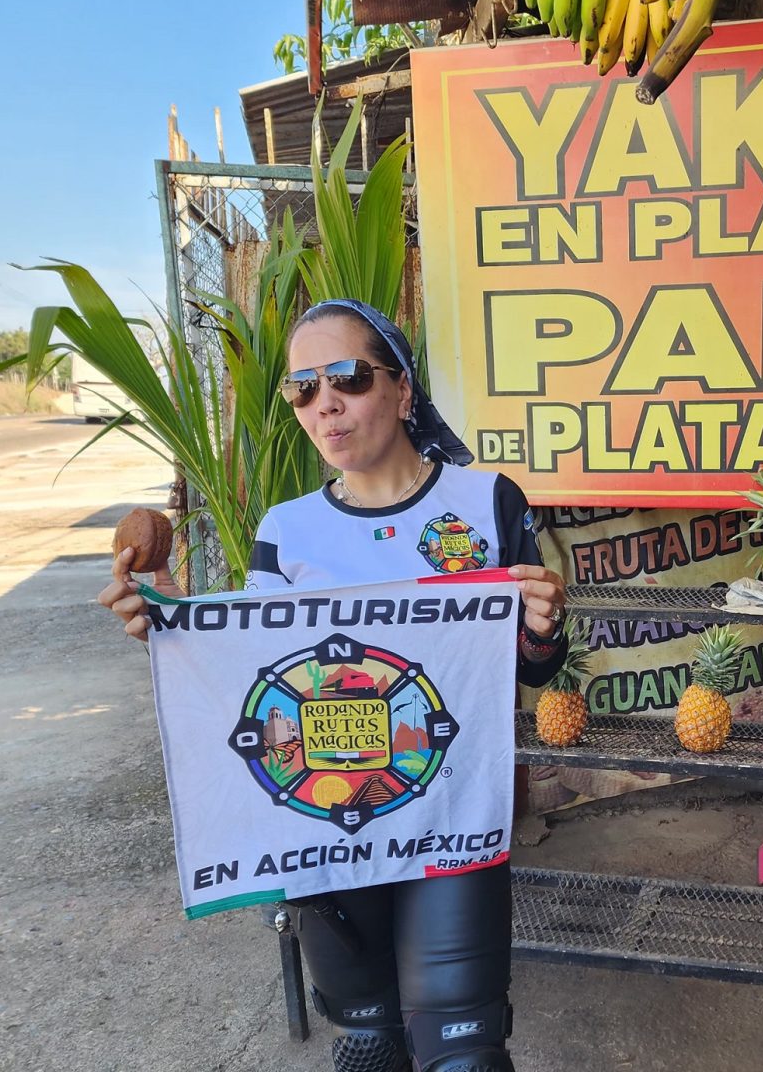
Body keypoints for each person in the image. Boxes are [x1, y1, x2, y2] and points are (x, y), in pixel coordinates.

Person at [102, 298, 568, 1072]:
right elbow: (252, 674)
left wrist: (544, 625)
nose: (325, 402)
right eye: (302, 388)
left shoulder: (486, 502)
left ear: (403, 390)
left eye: (347, 377)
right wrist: (163, 616)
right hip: (325, 825)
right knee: (371, 1043)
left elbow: (529, 667)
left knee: (464, 1054)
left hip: (450, 814)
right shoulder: (287, 528)